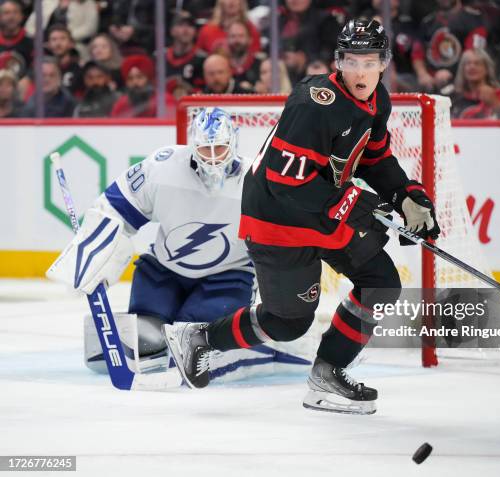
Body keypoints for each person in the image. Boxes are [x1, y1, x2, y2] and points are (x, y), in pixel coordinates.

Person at [163, 19, 440, 415]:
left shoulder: (378, 98)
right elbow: (284, 182)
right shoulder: (314, 104)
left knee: (380, 282)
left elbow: (375, 157)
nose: (361, 71)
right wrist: (355, 206)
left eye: (370, 60)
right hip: (277, 216)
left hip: (322, 206)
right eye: (352, 60)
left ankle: (327, 375)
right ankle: (201, 338)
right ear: (338, 62)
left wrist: (405, 195)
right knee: (288, 323)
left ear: (384, 63)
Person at [47, 108, 309, 380]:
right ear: (192, 146)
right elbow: (114, 208)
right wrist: (92, 255)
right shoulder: (163, 167)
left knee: (197, 337)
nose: (213, 158)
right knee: (146, 336)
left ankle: (258, 353)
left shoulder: (254, 182)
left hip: (228, 277)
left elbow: (282, 237)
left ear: (233, 144)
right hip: (163, 270)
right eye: (205, 149)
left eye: (219, 148)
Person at [110, 54, 175, 118]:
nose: (135, 82)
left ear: (148, 78)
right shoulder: (121, 104)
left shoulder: (165, 100)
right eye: (130, 78)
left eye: (140, 77)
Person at [450, 48, 500, 119]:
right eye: (468, 63)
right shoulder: (454, 98)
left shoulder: (499, 95)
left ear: (486, 69)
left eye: (477, 63)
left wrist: (496, 103)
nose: (472, 67)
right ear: (462, 70)